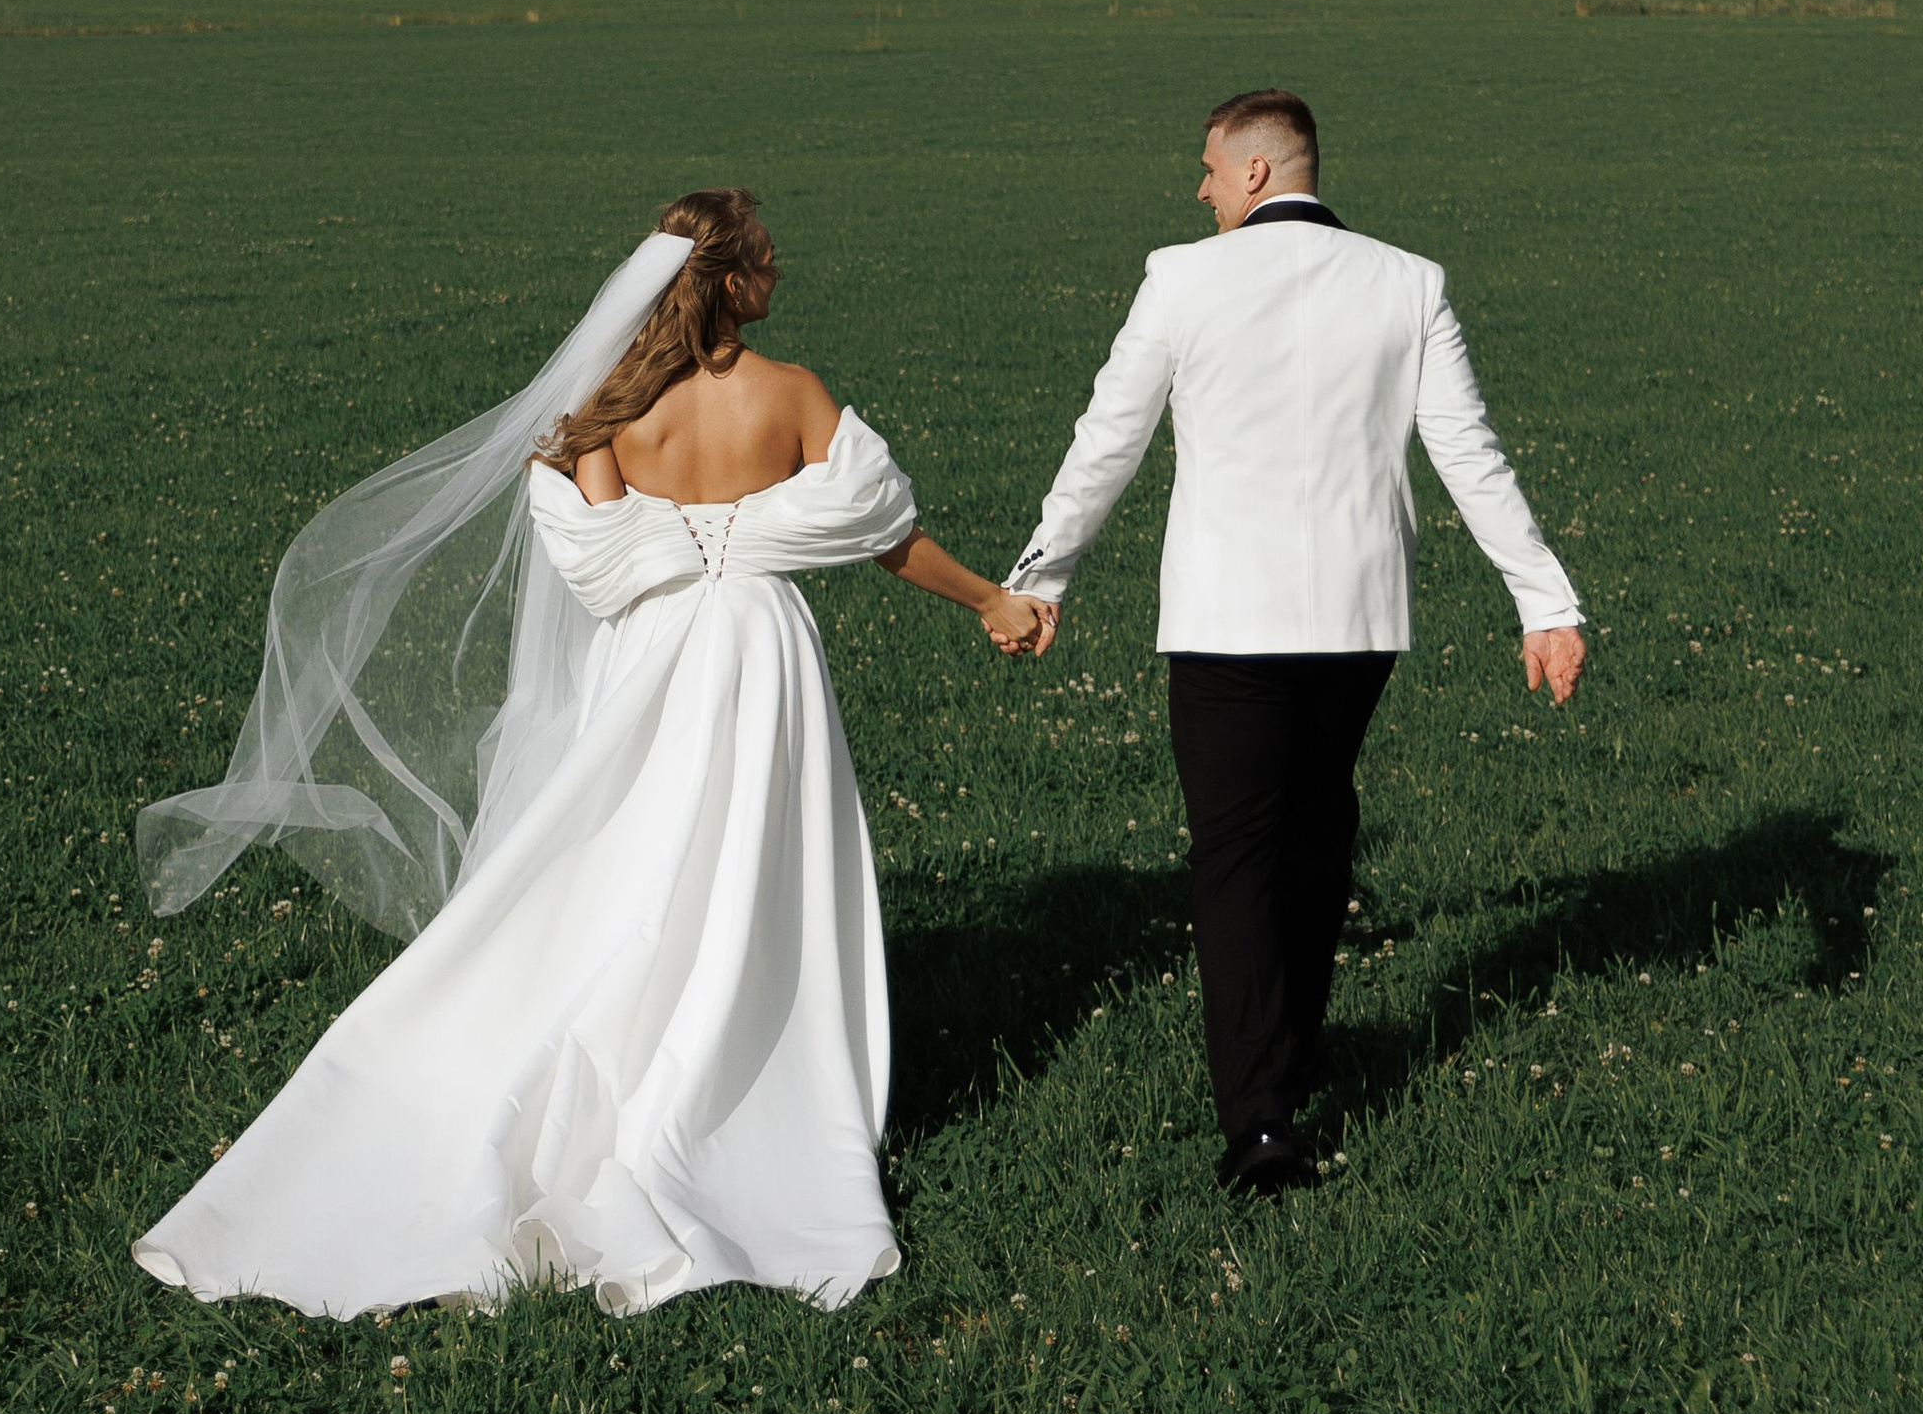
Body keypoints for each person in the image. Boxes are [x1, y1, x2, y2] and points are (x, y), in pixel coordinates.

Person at [130, 190, 1048, 1314]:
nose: (778, 272)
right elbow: (888, 539)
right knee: (750, 868)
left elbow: (601, 556)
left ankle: (611, 1045)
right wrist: (991, 601)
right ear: (735, 280)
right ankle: (740, 1081)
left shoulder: (609, 414)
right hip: (760, 659)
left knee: (631, 858)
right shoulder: (794, 396)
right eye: (767, 259)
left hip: (651, 660)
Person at [1004, 91, 1585, 1195]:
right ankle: (1296, 1048)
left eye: (1210, 171)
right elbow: (1471, 455)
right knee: (1317, 827)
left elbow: (1106, 440)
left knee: (1232, 857)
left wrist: (1041, 577)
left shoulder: (1180, 277)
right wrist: (1543, 603)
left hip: (1227, 620)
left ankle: (1260, 1124)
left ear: (1258, 173)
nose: (1201, 191)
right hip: (1360, 622)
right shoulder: (1408, 282)